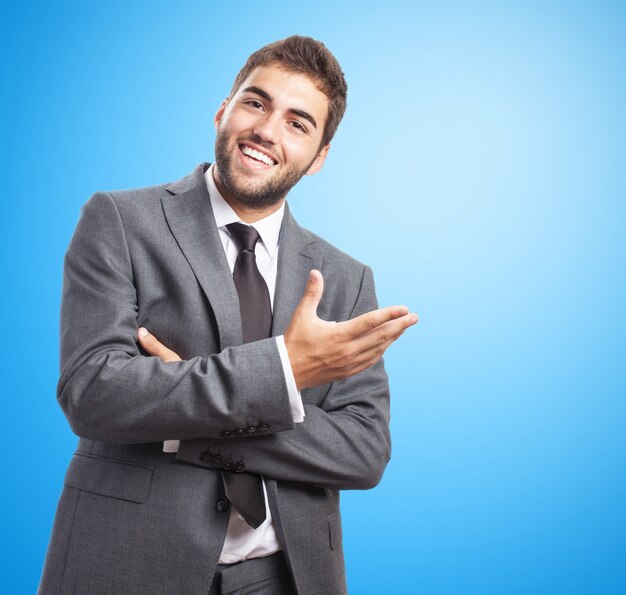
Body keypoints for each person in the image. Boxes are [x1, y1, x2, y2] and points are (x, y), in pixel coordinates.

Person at [38, 35, 417, 595]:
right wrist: (285, 372)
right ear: (224, 109)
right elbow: (93, 392)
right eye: (256, 102)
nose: (267, 130)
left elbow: (363, 453)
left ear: (320, 157)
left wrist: (182, 423)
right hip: (129, 565)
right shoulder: (119, 220)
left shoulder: (345, 277)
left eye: (298, 123)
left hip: (286, 575)